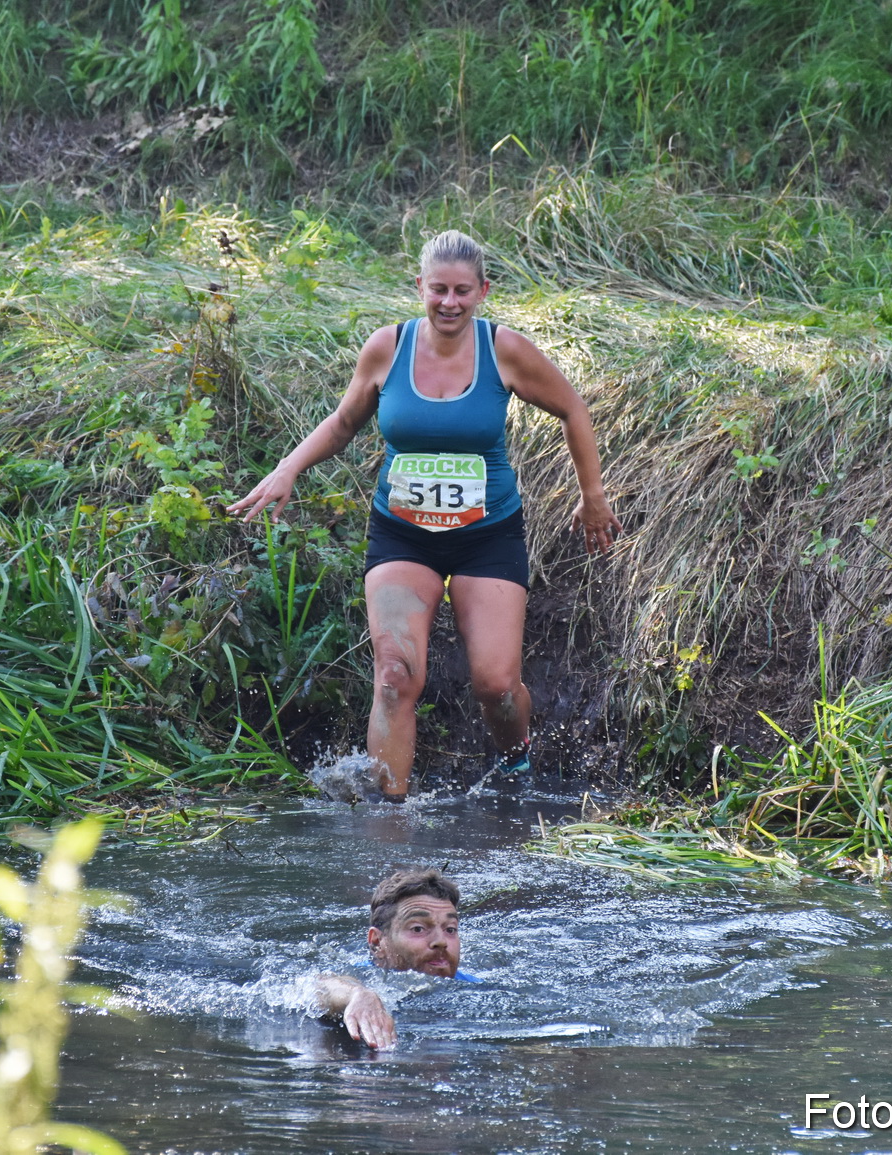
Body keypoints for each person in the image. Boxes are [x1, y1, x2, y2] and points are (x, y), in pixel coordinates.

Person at [230, 230, 622, 799]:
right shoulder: (387, 348)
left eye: (463, 291)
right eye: (438, 289)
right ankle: (388, 823)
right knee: (393, 678)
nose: (449, 303)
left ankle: (516, 764)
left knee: (496, 685)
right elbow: (344, 424)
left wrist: (593, 498)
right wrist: (289, 468)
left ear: (483, 291)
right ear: (420, 287)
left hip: (486, 536)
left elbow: (572, 409)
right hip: (402, 536)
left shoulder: (503, 349)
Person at [314, 868, 469, 1048]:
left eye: (450, 929)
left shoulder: (475, 988)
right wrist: (357, 995)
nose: (441, 942)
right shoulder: (365, 978)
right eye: (418, 928)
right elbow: (319, 986)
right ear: (377, 942)